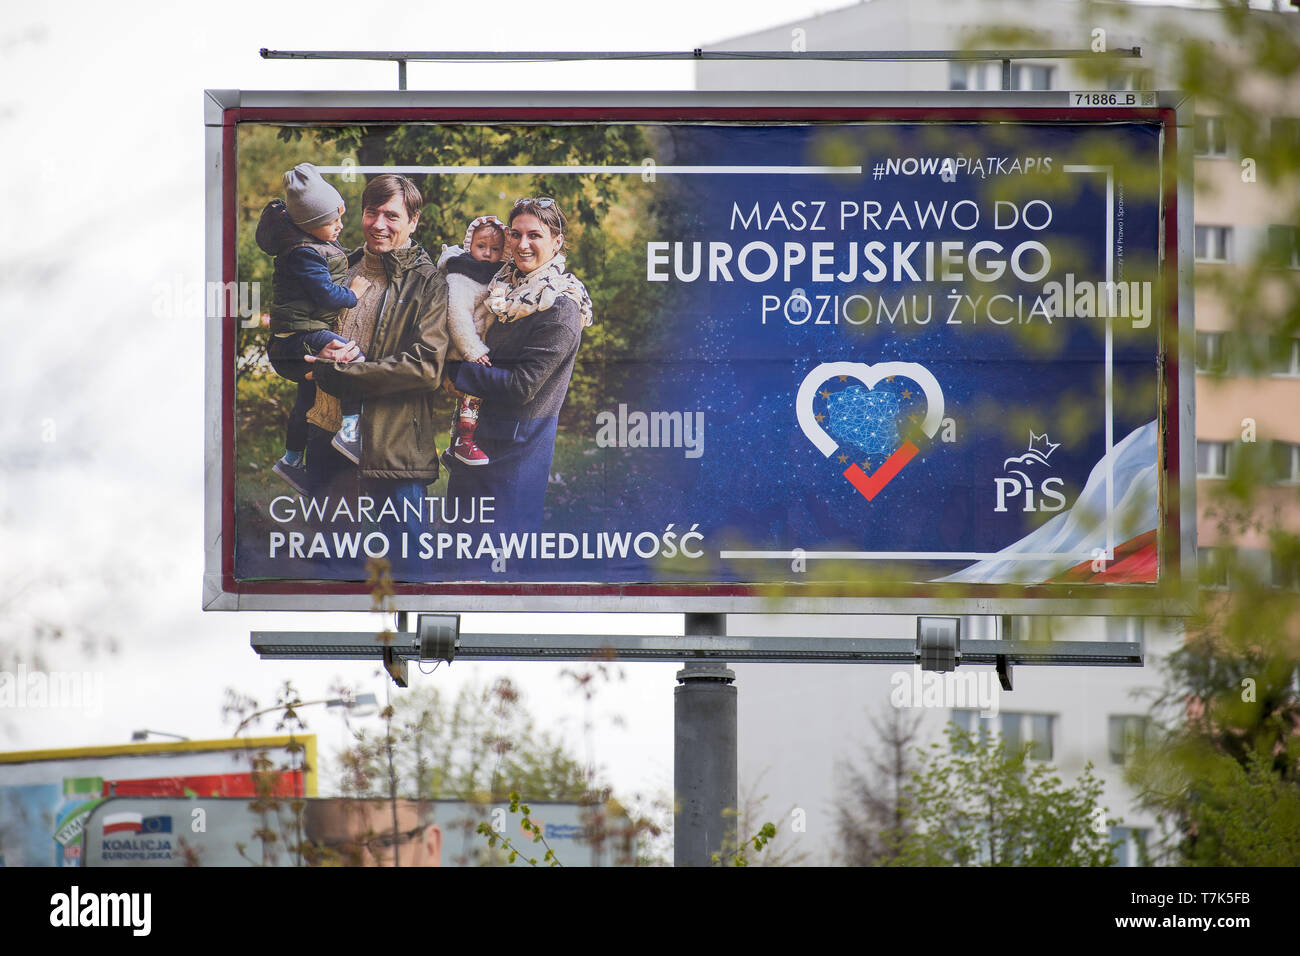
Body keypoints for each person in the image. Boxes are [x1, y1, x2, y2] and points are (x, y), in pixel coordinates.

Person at [304, 174, 449, 576]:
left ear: (413, 221)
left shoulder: (428, 282)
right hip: (329, 442)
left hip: (395, 449)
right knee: (331, 571)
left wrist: (343, 375)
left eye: (391, 215)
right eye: (372, 212)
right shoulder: (337, 269)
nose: (379, 224)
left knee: (408, 572)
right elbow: (295, 333)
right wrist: (310, 352)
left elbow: (426, 366)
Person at [441, 197, 593, 536]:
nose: (522, 245)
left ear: (557, 241)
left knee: (499, 568)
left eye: (534, 236)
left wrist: (453, 374)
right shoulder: (504, 292)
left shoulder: (559, 306)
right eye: (516, 234)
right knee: (455, 564)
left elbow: (522, 386)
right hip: (474, 447)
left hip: (514, 460)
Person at [254, 163, 371, 492]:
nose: (339, 226)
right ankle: (351, 432)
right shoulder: (302, 253)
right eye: (331, 221)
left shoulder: (310, 243)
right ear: (309, 224)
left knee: (306, 395)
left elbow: (335, 260)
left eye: (339, 218)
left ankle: (291, 460)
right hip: (303, 333)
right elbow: (325, 293)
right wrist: (353, 294)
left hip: (297, 332)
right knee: (353, 357)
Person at [436, 214, 507, 466]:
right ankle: (464, 442)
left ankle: (455, 444)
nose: (487, 253)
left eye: (495, 249)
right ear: (469, 245)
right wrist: (472, 350)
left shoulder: (494, 277)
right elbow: (457, 315)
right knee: (472, 397)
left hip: (475, 352)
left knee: (470, 403)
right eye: (481, 246)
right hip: (463, 352)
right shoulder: (462, 274)